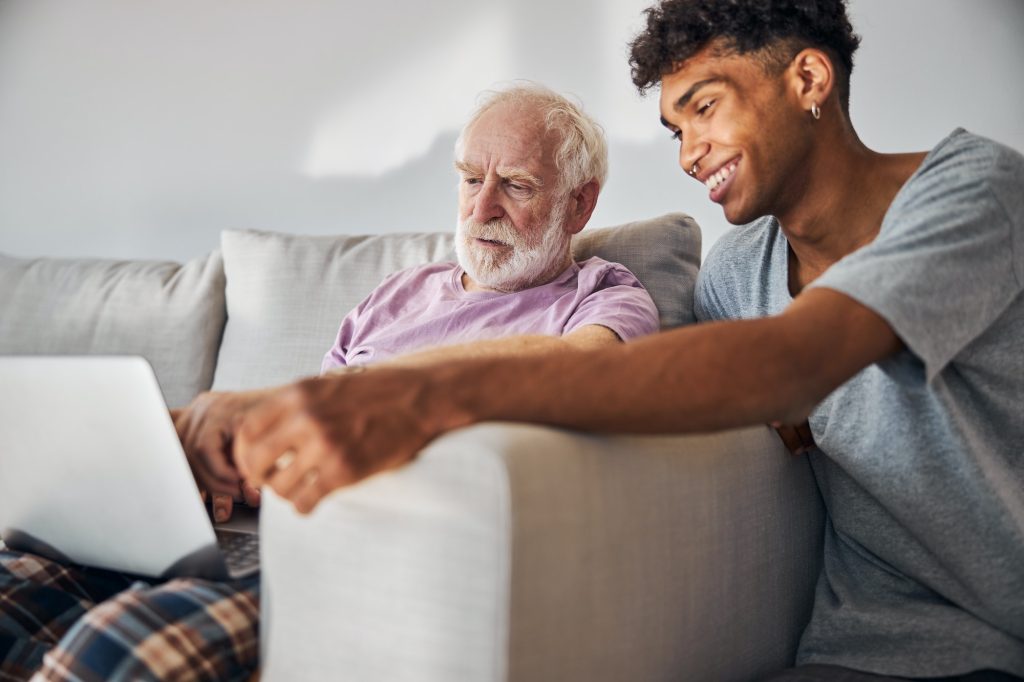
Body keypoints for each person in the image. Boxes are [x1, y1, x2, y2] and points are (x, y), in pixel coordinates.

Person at [222, 1, 1024, 680]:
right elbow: (714, 394)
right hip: (854, 644)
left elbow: (793, 362)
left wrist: (423, 390)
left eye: (705, 108)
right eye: (675, 129)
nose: (688, 155)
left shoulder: (973, 190)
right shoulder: (736, 273)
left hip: (997, 636)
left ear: (808, 80)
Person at [0, 84, 660, 681]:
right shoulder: (402, 292)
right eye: (468, 179)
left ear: (580, 203)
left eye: (515, 184)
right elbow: (310, 424)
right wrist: (233, 468)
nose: (481, 207)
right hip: (267, 523)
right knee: (16, 588)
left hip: (359, 552)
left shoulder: (602, 295)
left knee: (114, 652)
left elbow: (592, 367)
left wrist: (345, 396)